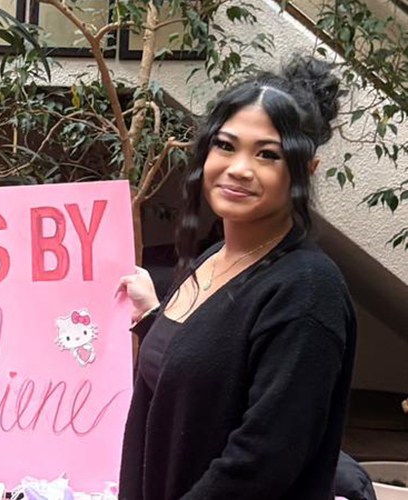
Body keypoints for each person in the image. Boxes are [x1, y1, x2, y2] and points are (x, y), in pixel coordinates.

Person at [116, 55, 357, 500]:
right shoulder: (212, 259)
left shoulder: (306, 291)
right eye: (226, 146)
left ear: (305, 171)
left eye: (267, 154)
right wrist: (153, 315)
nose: (240, 168)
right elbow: (206, 368)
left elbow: (262, 461)